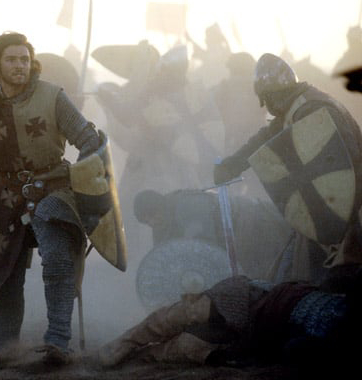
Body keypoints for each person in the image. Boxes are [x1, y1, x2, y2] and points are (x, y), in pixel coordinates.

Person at [0, 32, 100, 364]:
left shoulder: (53, 96)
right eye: (12, 60)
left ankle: (58, 341)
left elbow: (89, 141)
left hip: (54, 190)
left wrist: (90, 191)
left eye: (25, 60)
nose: (19, 66)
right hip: (7, 193)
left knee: (58, 260)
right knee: (6, 269)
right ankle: (6, 342)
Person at [214, 53, 362, 284]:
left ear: (275, 95)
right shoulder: (297, 105)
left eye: (268, 99)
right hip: (327, 208)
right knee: (295, 272)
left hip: (348, 208)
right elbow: (265, 137)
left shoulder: (311, 110)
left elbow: (344, 168)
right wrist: (233, 163)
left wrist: (342, 220)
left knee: (330, 279)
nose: (268, 107)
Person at [97, 270, 362, 379]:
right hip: (259, 299)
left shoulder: (335, 339)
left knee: (187, 347)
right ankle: (124, 344)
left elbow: (297, 350)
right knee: (182, 315)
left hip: (258, 334)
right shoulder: (344, 302)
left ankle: (139, 355)